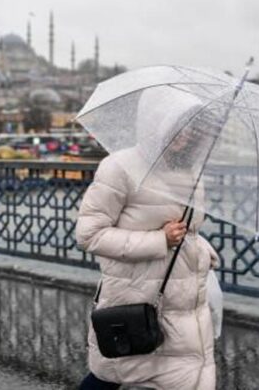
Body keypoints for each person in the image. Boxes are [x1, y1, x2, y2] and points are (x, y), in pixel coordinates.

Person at [75, 124, 220, 389]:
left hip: (185, 299)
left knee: (190, 373)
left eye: (190, 128)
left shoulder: (193, 172)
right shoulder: (119, 167)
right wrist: (159, 240)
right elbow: (89, 234)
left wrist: (200, 248)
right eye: (174, 125)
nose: (184, 134)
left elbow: (188, 229)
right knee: (115, 371)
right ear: (154, 121)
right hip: (135, 294)